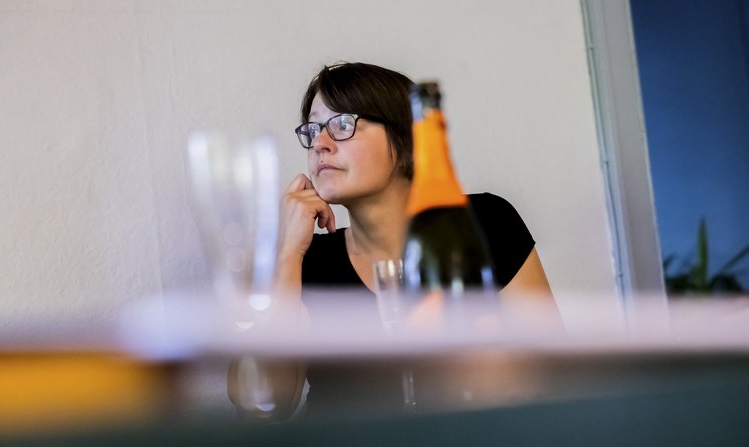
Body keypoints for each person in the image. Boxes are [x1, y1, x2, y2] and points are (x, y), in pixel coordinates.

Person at [229, 62, 556, 419]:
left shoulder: (483, 222)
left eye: (342, 125)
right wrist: (287, 255)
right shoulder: (307, 259)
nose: (320, 145)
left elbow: (548, 373)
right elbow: (259, 404)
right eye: (313, 129)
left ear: (405, 137)